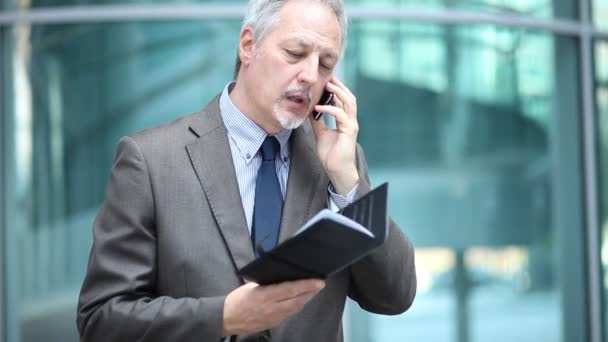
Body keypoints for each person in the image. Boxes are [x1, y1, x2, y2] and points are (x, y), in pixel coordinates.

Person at [76, 0, 416, 341]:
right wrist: (223, 317)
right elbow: (102, 321)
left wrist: (348, 185)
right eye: (295, 53)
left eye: (326, 63)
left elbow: (395, 295)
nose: (311, 75)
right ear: (248, 45)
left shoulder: (340, 164)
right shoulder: (150, 161)